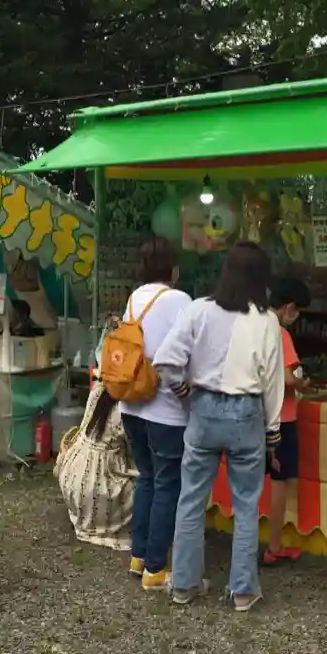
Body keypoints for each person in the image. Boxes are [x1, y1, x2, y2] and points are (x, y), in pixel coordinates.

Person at [153, 241, 284, 611]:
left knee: (191, 498)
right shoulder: (267, 320)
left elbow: (165, 360)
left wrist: (184, 392)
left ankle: (184, 584)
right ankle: (242, 591)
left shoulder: (199, 309)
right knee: (246, 504)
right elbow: (273, 381)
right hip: (246, 414)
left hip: (205, 408)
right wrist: (273, 431)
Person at [115, 238, 192, 590]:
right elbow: (187, 352)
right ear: (172, 269)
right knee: (166, 485)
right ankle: (156, 570)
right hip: (166, 408)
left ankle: (139, 556)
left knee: (146, 478)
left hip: (131, 403)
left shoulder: (135, 298)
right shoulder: (179, 301)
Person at [260, 277, 311, 567]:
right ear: (289, 307)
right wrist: (304, 383)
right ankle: (274, 545)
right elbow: (290, 378)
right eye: (298, 310)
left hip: (256, 415)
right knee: (279, 483)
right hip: (282, 419)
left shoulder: (253, 326)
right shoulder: (280, 333)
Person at [54, 378, 134, 550]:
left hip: (73, 473)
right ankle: (103, 521)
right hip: (98, 478)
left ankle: (84, 514)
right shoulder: (126, 408)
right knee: (146, 487)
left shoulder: (97, 391)